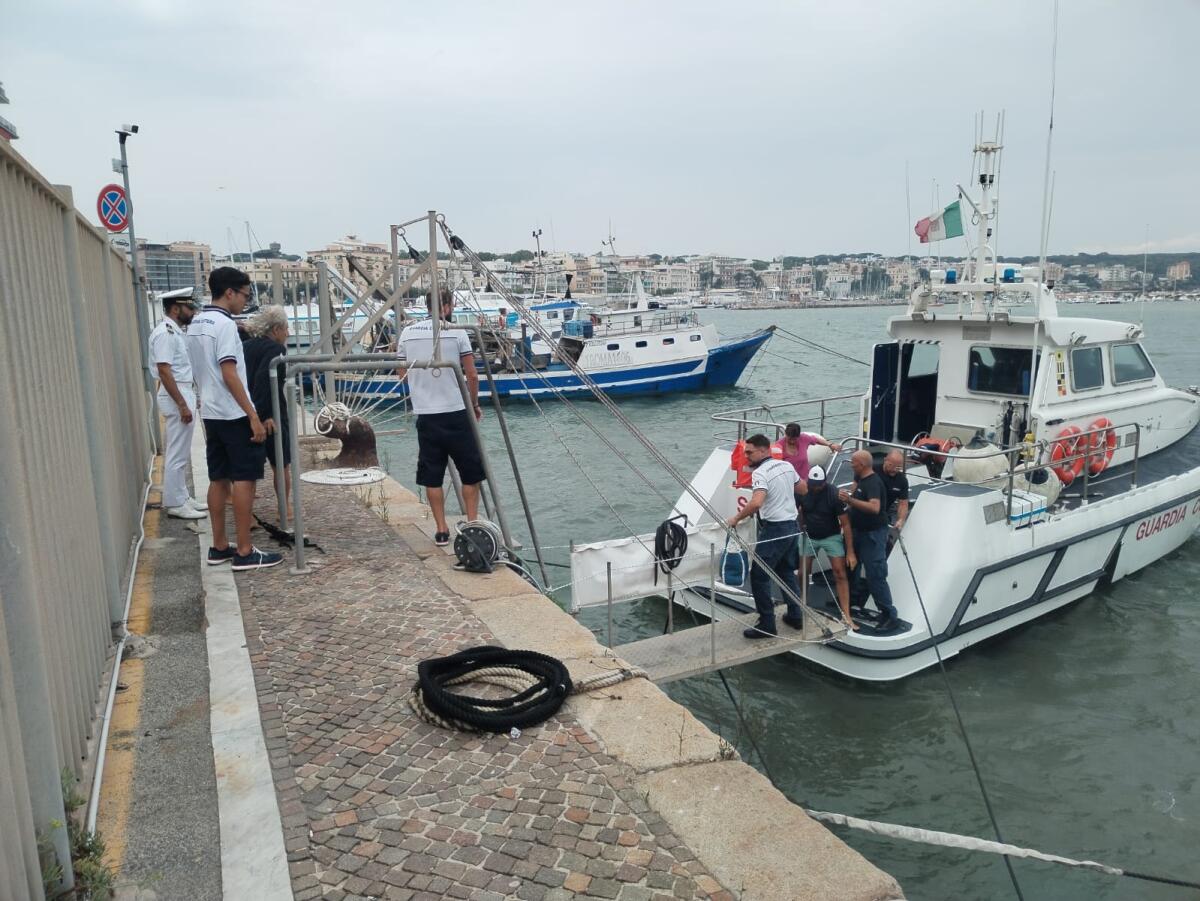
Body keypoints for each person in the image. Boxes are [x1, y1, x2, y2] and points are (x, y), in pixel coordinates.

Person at [186, 267, 283, 571]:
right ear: (229, 292)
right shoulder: (225, 326)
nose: (246, 300)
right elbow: (230, 372)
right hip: (233, 412)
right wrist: (253, 415)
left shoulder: (196, 322)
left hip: (210, 412)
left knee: (219, 479)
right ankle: (243, 550)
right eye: (244, 294)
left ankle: (218, 545)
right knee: (244, 479)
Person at [399, 287, 484, 547]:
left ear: (427, 306)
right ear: (448, 306)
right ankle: (470, 524)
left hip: (426, 414)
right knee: (471, 473)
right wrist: (475, 403)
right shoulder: (457, 333)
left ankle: (441, 530)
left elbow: (401, 374)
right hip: (457, 411)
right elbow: (472, 375)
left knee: (432, 474)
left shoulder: (407, 333)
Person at [725, 433, 806, 639]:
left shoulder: (760, 473)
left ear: (764, 450)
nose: (747, 457)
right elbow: (803, 488)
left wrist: (735, 518)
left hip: (775, 529)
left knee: (759, 576)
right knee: (786, 571)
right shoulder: (786, 466)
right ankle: (796, 616)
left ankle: (767, 624)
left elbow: (756, 502)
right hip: (791, 526)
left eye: (750, 452)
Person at [149, 289, 206, 520]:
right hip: (176, 395)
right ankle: (174, 503)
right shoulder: (165, 333)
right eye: (189, 307)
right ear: (176, 308)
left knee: (181, 452)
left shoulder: (174, 332)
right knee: (176, 453)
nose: (192, 312)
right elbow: (164, 370)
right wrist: (182, 404)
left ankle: (182, 496)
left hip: (182, 391)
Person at [839, 450, 899, 630]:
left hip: (872, 535)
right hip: (857, 532)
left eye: (854, 463)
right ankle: (851, 601)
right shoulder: (861, 481)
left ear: (863, 465)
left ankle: (889, 614)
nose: (851, 465)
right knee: (851, 568)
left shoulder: (873, 482)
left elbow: (874, 507)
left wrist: (850, 501)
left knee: (875, 574)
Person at [242, 305, 292, 521]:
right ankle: (284, 508)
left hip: (243, 408)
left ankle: (247, 516)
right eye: (286, 329)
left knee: (247, 469)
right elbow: (265, 380)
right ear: (276, 329)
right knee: (281, 463)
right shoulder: (276, 351)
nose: (288, 334)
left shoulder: (245, 346)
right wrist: (265, 415)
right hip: (269, 411)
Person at [797, 465, 858, 631]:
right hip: (809, 535)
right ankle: (802, 607)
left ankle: (846, 615)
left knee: (840, 572)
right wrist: (800, 530)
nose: (816, 487)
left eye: (819, 484)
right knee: (803, 573)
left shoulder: (834, 494)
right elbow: (800, 513)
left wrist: (850, 552)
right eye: (813, 484)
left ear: (825, 482)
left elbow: (845, 524)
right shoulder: (803, 491)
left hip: (831, 536)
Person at [875, 449, 911, 535]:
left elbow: (903, 504)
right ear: (885, 460)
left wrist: (901, 520)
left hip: (883, 515)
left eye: (898, 467)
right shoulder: (872, 470)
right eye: (891, 465)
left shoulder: (902, 480)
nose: (894, 469)